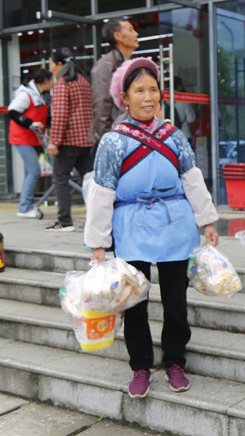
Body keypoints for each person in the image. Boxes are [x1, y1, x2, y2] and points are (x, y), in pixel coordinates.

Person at [84, 57, 220, 397]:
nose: (148, 97)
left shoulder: (174, 136)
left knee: (176, 301)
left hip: (175, 225)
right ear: (124, 97)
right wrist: (98, 242)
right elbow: (102, 192)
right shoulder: (113, 142)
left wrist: (207, 220)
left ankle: (175, 361)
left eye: (153, 90)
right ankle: (141, 366)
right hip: (131, 227)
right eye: (139, 90)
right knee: (135, 304)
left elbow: (191, 178)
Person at [45, 47, 94, 233]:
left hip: (68, 142)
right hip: (86, 141)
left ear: (59, 64)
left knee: (60, 179)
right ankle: (97, 219)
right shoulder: (84, 81)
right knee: (91, 181)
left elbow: (60, 115)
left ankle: (65, 221)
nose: (51, 68)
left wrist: (54, 141)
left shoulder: (63, 83)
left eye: (51, 63)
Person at [7, 69, 53, 218]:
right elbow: (13, 112)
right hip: (22, 138)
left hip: (33, 138)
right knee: (34, 171)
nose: (53, 84)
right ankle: (24, 207)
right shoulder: (26, 94)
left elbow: (45, 118)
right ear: (45, 81)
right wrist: (30, 123)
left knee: (29, 172)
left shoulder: (42, 96)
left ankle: (26, 204)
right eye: (51, 80)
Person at [89, 18, 139, 150]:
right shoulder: (106, 65)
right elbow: (101, 106)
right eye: (130, 30)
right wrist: (107, 142)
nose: (136, 34)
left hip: (128, 136)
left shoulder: (128, 63)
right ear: (118, 36)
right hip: (113, 141)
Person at [172, 76, 196, 144]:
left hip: (170, 136)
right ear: (179, 86)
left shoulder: (165, 99)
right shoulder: (183, 99)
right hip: (184, 135)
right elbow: (191, 119)